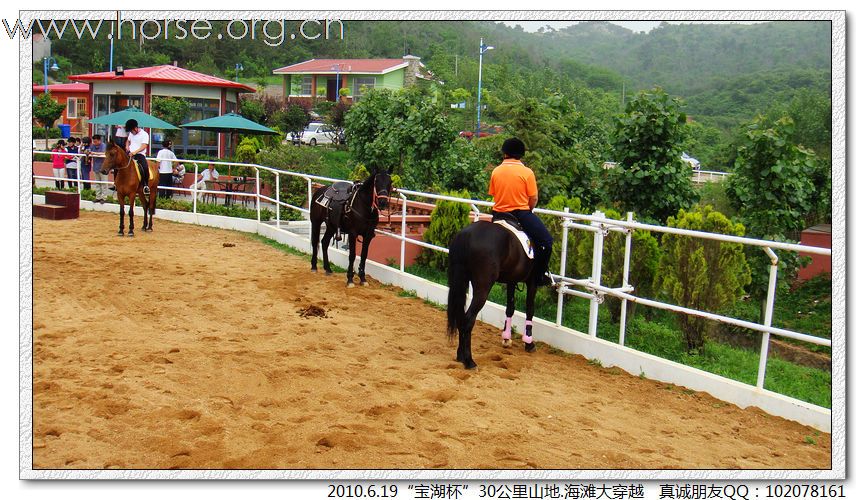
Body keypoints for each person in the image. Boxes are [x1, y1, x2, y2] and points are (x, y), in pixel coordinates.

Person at [488, 137, 555, 286]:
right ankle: (539, 275)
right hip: (520, 214)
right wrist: (529, 210)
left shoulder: (496, 171)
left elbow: (494, 193)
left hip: (498, 214)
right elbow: (534, 198)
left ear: (505, 153)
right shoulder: (527, 172)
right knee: (546, 242)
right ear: (521, 154)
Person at [125, 119, 151, 195]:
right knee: (119, 164)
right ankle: (116, 184)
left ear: (136, 128)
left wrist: (135, 152)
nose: (131, 132)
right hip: (130, 153)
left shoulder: (144, 134)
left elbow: (144, 146)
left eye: (132, 130)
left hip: (139, 154)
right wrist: (127, 146)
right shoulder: (131, 134)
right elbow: (128, 140)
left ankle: (145, 185)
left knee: (144, 167)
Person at [89, 135, 108, 203]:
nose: (94, 143)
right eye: (93, 141)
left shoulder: (103, 146)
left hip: (103, 167)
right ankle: (98, 197)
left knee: (104, 183)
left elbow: (103, 153)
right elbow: (89, 150)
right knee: (97, 183)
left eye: (95, 141)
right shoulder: (92, 146)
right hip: (96, 167)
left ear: (99, 140)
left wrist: (94, 153)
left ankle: (104, 198)